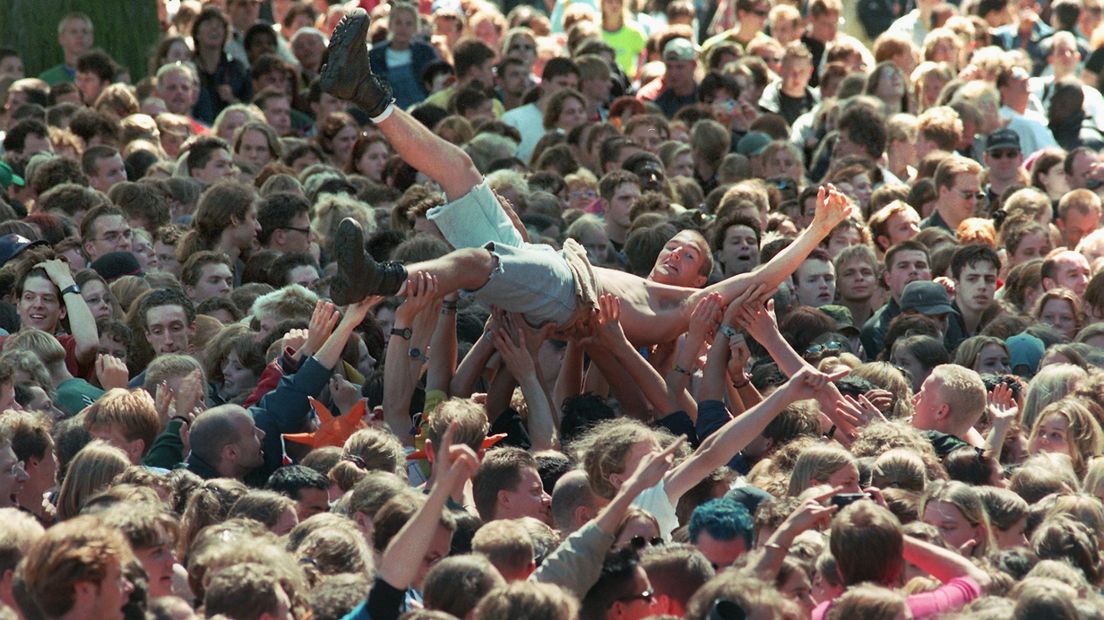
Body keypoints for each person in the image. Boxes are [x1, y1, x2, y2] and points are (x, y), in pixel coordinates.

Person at [318, 9, 852, 347]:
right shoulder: (641, 282)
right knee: (459, 169)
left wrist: (817, 231)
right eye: (674, 244)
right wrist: (523, 236)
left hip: (570, 295)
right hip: (549, 264)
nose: (675, 253)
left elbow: (757, 282)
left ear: (701, 282)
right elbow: (535, 264)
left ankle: (379, 279)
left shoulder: (681, 309)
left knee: (478, 262)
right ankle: (364, 90)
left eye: (690, 256)